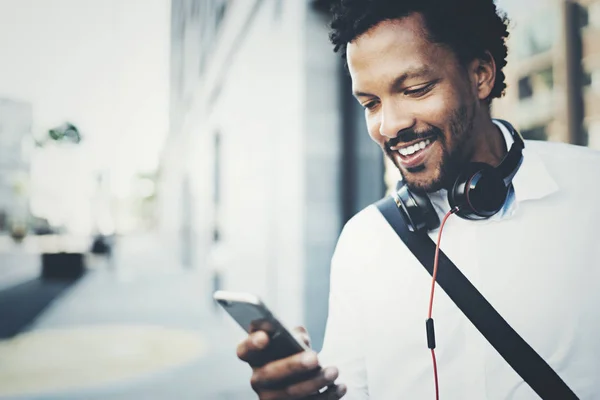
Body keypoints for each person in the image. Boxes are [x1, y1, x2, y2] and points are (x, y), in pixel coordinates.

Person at [236, 0, 600, 398]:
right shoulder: (364, 242)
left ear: (480, 75)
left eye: (414, 90)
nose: (389, 125)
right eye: (370, 104)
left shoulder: (590, 190)